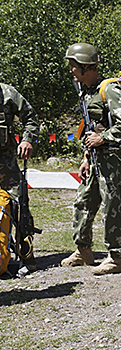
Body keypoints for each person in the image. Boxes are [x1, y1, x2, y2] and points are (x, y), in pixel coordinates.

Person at [61, 43, 121, 275]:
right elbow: (90, 127)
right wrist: (86, 156)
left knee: (112, 207)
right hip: (94, 158)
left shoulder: (109, 89)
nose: (71, 71)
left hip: (112, 158)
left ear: (86, 66)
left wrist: (103, 138)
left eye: (74, 67)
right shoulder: (86, 91)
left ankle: (116, 257)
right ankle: (83, 250)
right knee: (83, 201)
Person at [0, 83, 40, 275]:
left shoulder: (8, 94)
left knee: (20, 209)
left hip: (6, 165)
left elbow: (31, 118)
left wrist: (27, 139)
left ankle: (26, 256)